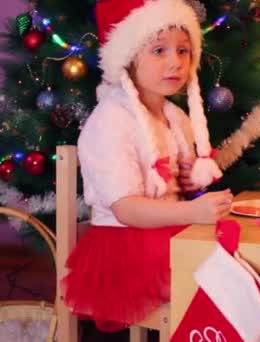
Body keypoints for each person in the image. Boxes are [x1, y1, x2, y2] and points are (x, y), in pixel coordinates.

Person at [62, 0, 233, 331]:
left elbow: (173, 188)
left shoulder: (175, 117)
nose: (175, 62)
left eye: (183, 51)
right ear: (127, 59)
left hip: (169, 233)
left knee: (236, 270)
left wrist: (190, 183)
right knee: (215, 287)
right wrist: (192, 213)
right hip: (124, 247)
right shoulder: (111, 119)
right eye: (158, 50)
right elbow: (126, 209)